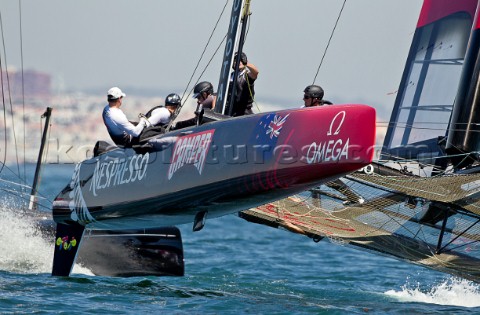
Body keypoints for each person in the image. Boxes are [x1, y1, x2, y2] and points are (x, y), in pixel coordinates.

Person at [227, 52, 259, 116]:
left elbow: (255, 73)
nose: (239, 62)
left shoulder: (246, 75)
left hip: (244, 113)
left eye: (241, 60)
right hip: (230, 112)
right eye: (236, 60)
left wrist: (246, 63)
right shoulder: (229, 77)